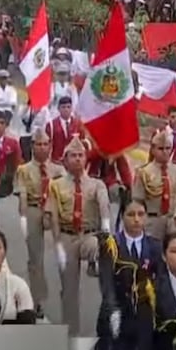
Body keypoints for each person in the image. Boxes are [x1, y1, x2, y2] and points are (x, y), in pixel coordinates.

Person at [47, 135, 111, 335]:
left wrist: (106, 228)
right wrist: (57, 244)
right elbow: (54, 217)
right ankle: (71, 332)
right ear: (65, 160)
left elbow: (104, 205)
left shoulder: (96, 184)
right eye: (73, 156)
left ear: (86, 159)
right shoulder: (55, 186)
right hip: (66, 237)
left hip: (88, 235)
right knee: (69, 290)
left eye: (81, 155)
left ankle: (97, 262)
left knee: (96, 245)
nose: (77, 159)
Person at [92, 199, 164, 350]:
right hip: (116, 310)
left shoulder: (155, 246)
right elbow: (106, 282)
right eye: (131, 215)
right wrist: (113, 310)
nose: (136, 219)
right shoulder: (111, 245)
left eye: (141, 214)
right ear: (122, 217)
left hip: (143, 314)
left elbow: (160, 281)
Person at [14, 132, 65, 318]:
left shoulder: (58, 170)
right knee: (36, 258)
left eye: (45, 144)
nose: (42, 147)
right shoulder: (24, 170)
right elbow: (23, 196)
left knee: (66, 253)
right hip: (35, 210)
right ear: (32, 146)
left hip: (54, 211)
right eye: (38, 144)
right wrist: (23, 218)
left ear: (50, 145)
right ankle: (36, 300)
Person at [131, 130, 176, 240]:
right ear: (153, 150)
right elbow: (137, 201)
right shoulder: (144, 172)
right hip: (153, 220)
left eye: (168, 148)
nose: (165, 152)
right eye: (160, 149)